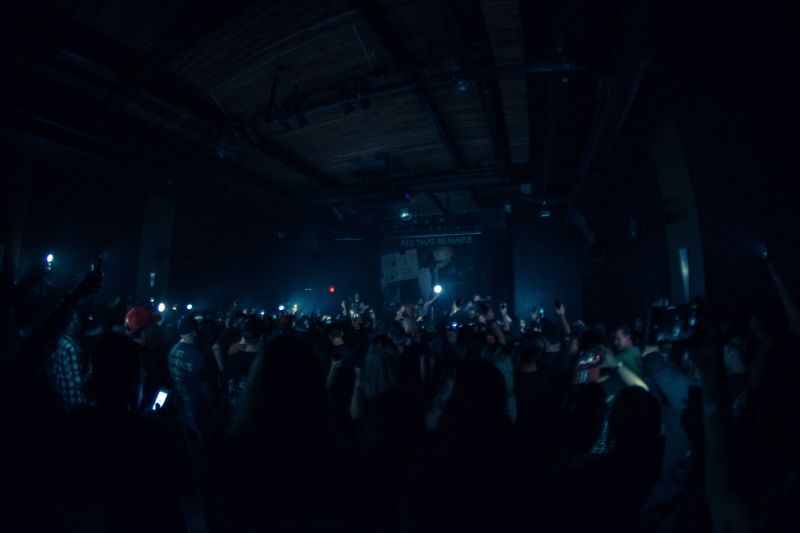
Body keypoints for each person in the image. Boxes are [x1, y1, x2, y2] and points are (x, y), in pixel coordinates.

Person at [60, 331, 186, 532]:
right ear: (134, 378)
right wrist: (161, 428)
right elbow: (185, 484)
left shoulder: (76, 423)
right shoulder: (151, 433)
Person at [49, 308, 91, 412]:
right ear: (68, 323)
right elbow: (79, 383)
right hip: (77, 404)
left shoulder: (58, 341)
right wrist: (92, 369)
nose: (80, 321)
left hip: (64, 401)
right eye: (77, 319)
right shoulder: (72, 348)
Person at [226, 315, 267, 413]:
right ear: (261, 337)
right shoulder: (263, 360)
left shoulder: (233, 354)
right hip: (254, 412)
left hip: (235, 409)